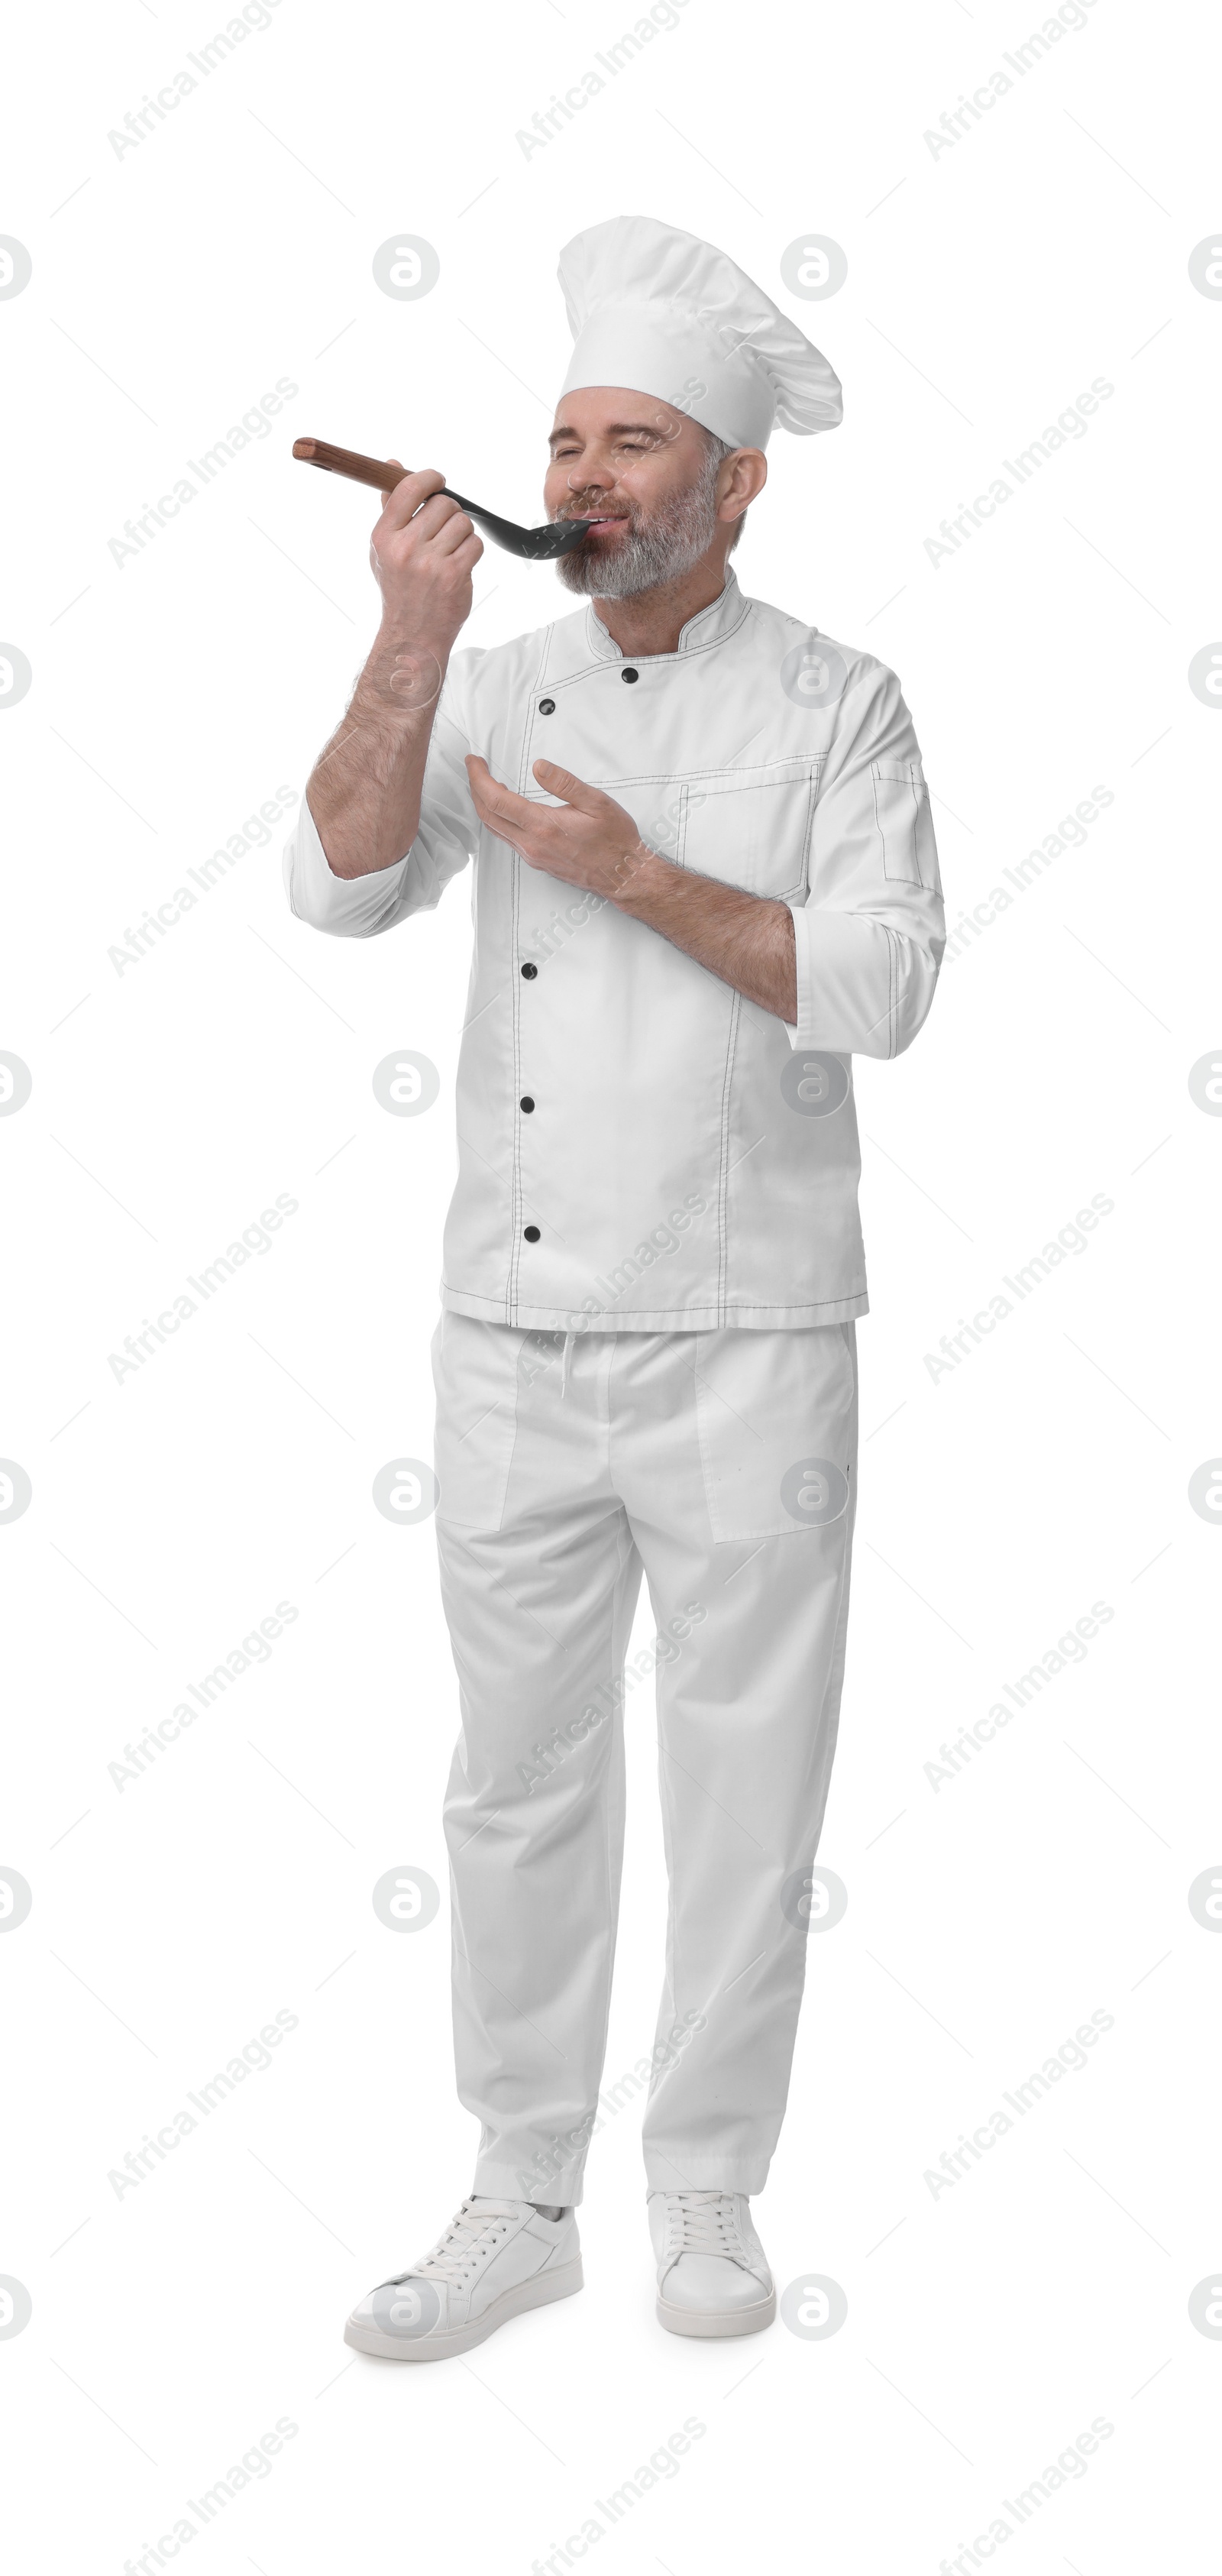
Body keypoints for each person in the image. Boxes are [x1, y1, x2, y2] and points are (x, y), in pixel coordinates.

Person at [283, 215, 945, 2361]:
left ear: (733, 482)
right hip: (513, 1329)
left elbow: (879, 984)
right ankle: (520, 2190)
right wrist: (403, 641)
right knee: (516, 1779)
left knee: (751, 1786)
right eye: (564, 438)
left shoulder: (845, 704)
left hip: (753, 1328)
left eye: (633, 441)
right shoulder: (486, 682)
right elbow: (339, 882)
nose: (584, 476)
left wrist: (634, 875)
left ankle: (708, 2190)